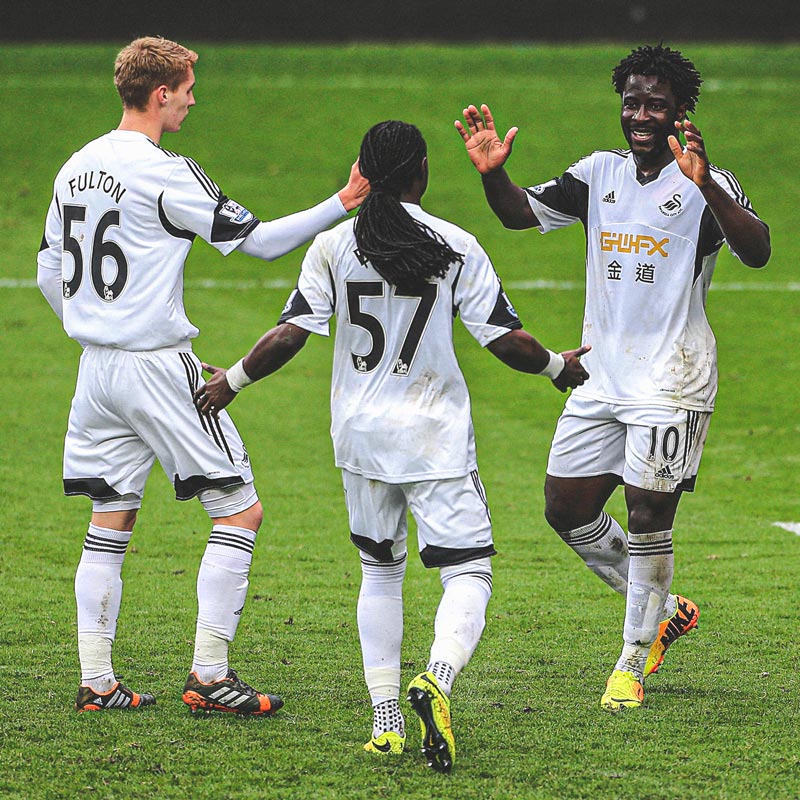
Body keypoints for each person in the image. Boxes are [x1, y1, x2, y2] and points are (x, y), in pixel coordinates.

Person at [194, 120, 589, 770]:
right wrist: (557, 367)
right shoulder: (454, 244)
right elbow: (504, 341)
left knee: (380, 569)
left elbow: (291, 333)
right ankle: (436, 676)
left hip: (360, 438)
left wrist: (231, 383)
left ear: (365, 172)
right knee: (468, 570)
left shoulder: (333, 246)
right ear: (421, 173)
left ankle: (384, 724)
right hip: (432, 436)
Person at [36, 36, 368, 714]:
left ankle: (97, 681)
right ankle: (212, 676)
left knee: (110, 519)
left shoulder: (76, 166)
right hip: (157, 367)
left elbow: (49, 274)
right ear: (160, 94)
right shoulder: (166, 171)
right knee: (239, 511)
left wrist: (99, 324)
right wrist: (344, 198)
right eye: (186, 87)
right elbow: (262, 241)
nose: (192, 98)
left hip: (94, 372)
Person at [456, 44, 770, 711]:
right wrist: (492, 173)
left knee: (648, 512)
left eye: (656, 103)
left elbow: (758, 250)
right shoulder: (598, 174)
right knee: (565, 510)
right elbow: (518, 213)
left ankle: (631, 660)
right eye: (632, 101)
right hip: (601, 375)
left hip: (673, 377)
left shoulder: (706, 181)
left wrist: (706, 182)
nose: (641, 114)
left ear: (680, 111)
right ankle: (664, 610)